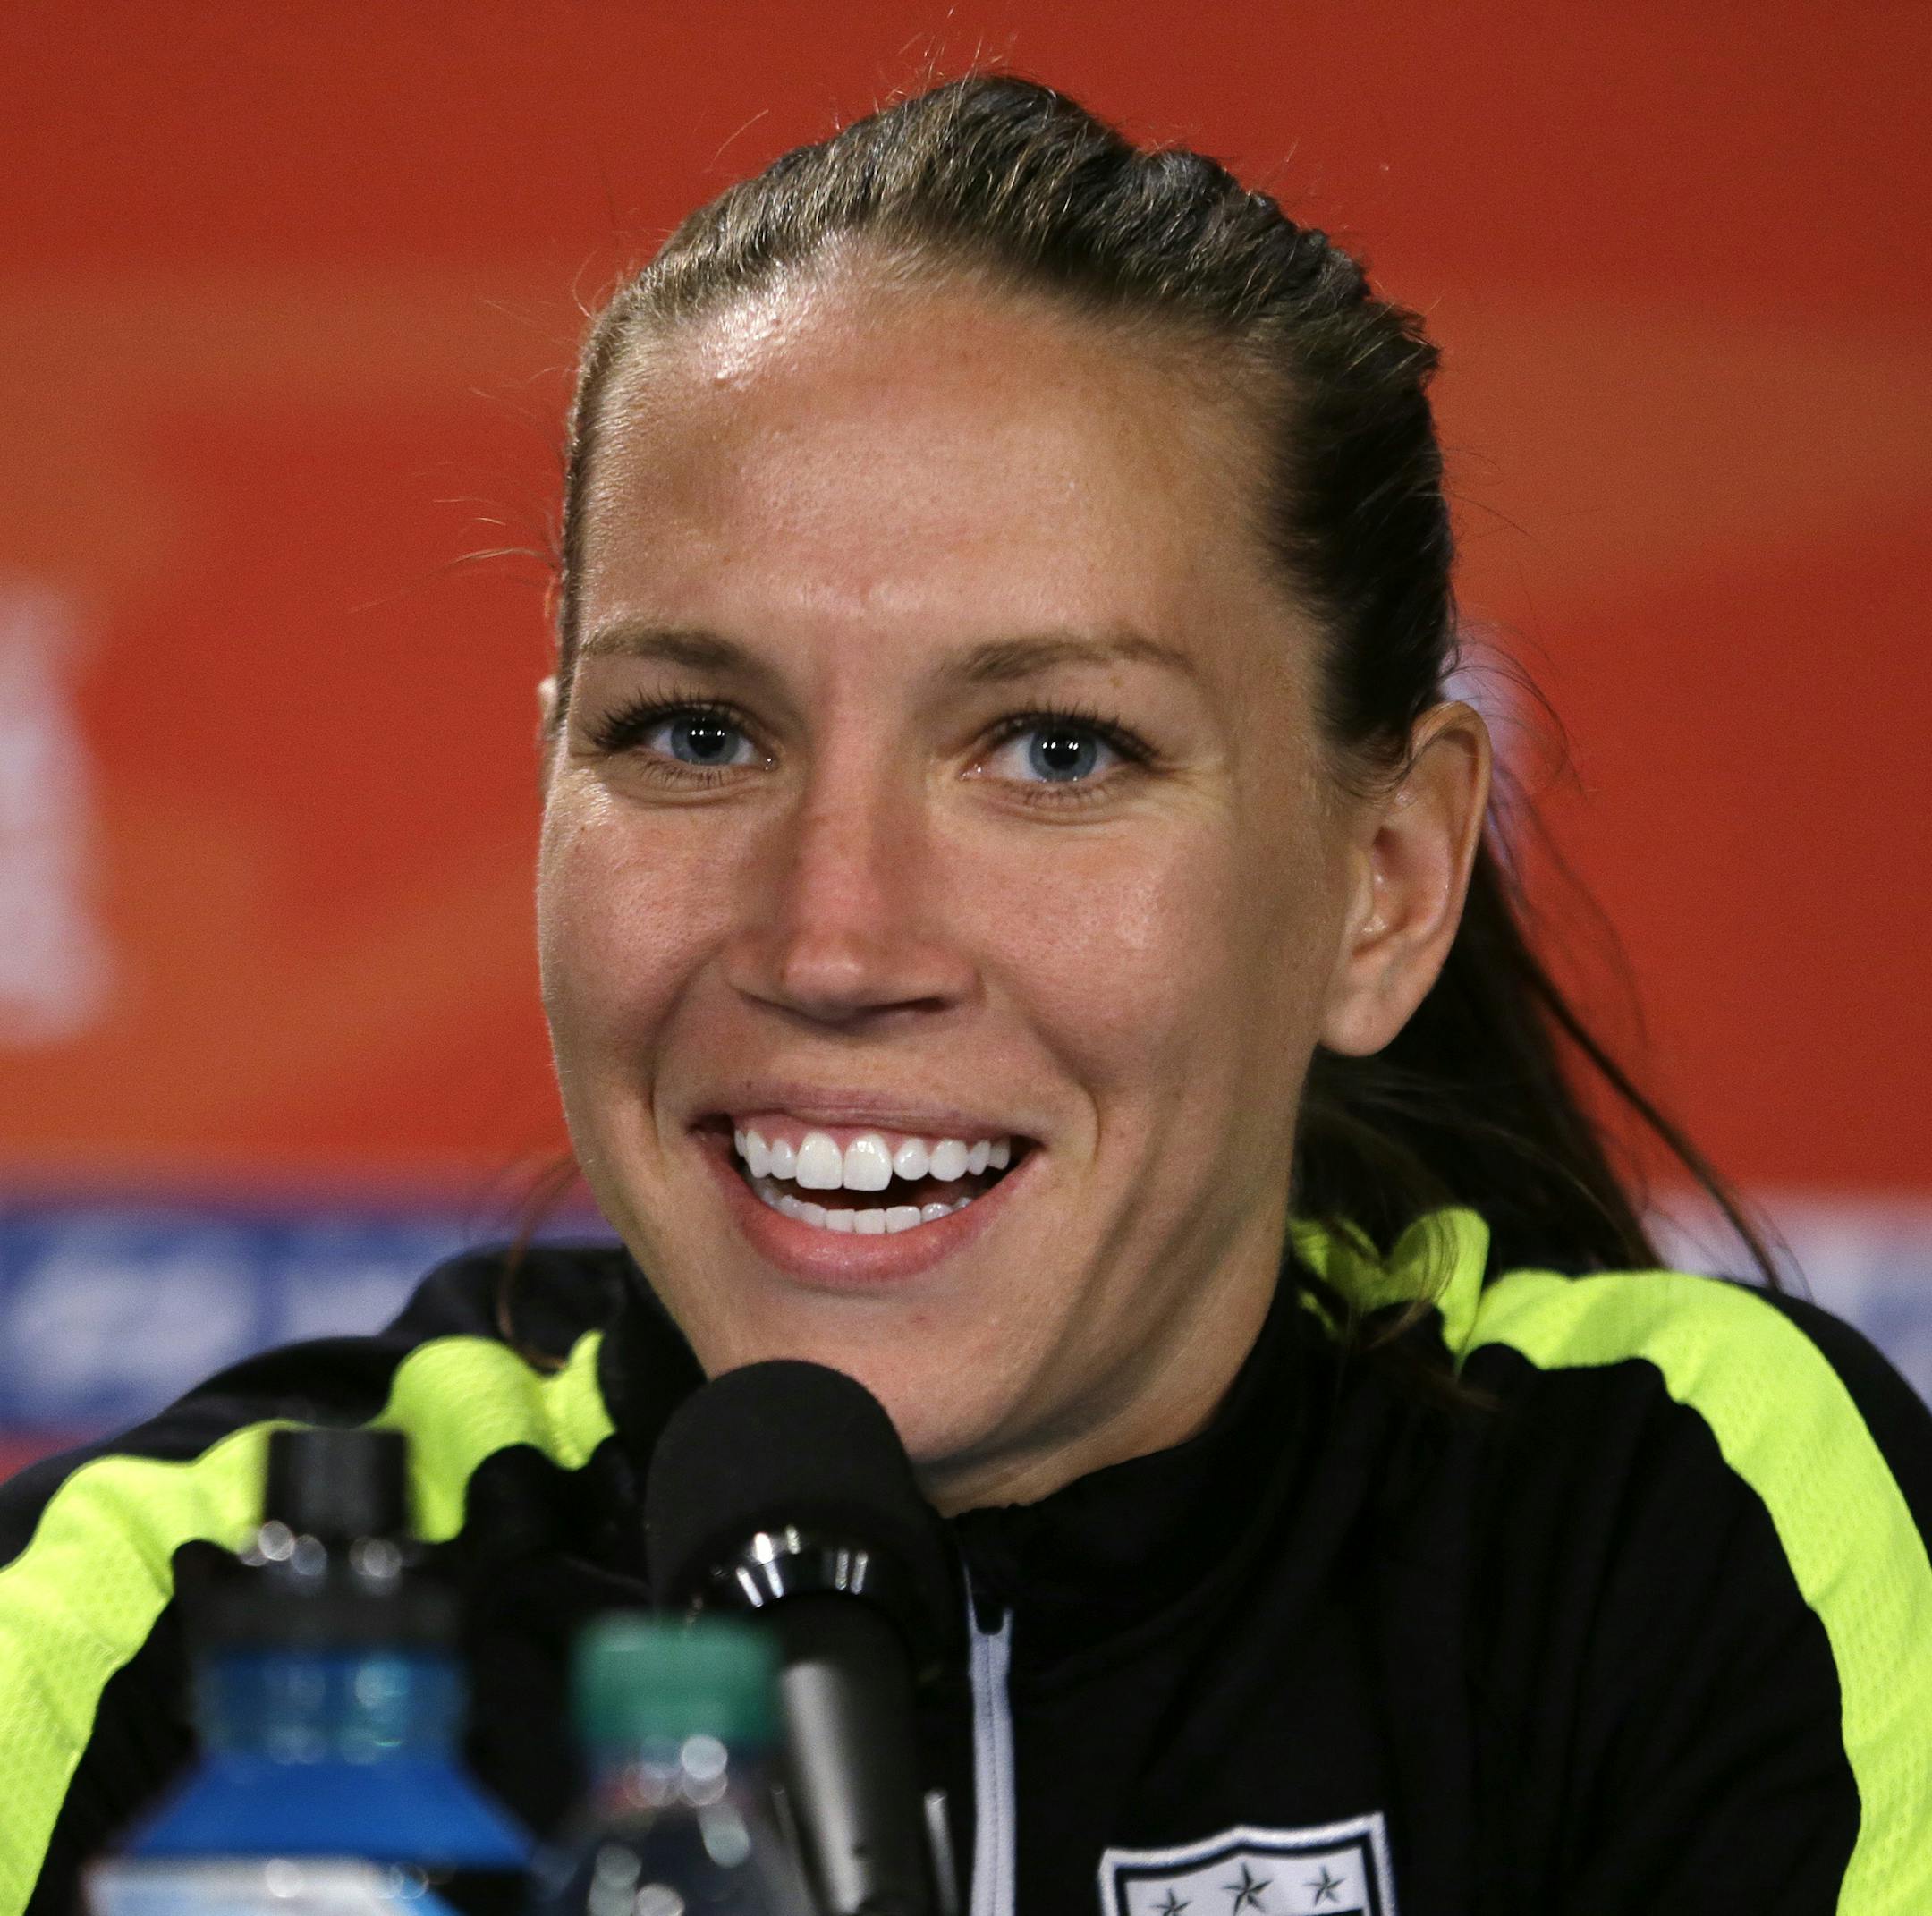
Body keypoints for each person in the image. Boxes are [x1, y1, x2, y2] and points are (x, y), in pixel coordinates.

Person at [3, 73, 1929, 1915]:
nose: (835, 944)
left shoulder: (1688, 1531)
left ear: (1386, 883)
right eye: (693, 731)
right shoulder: (160, 1626)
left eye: (1058, 751)